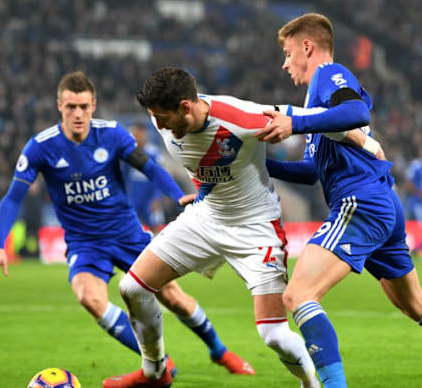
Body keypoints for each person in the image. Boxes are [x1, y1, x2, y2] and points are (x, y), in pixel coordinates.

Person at [255, 13, 422, 388]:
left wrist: (294, 121)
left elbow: (357, 111)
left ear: (307, 47)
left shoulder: (329, 75)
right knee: (417, 306)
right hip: (381, 204)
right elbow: (312, 171)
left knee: (298, 295)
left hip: (360, 202)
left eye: (287, 51)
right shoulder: (317, 102)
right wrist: (262, 166)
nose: (284, 62)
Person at [0, 71, 252, 377]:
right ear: (59, 105)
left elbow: (150, 168)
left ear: (94, 105)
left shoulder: (112, 134)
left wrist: (179, 196)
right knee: (89, 298)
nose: (78, 113)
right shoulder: (40, 146)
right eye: (71, 106)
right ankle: (159, 363)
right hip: (84, 243)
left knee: (172, 297)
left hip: (127, 234)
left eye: (84, 107)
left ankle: (219, 351)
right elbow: (12, 198)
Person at [104, 67, 327, 388]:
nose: (159, 125)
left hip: (255, 228)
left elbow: (316, 117)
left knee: (274, 335)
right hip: (204, 218)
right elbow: (206, 161)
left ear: (185, 107)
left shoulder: (242, 117)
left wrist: (362, 137)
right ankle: (154, 370)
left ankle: (311, 384)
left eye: (163, 118)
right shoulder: (163, 120)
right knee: (133, 288)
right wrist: (205, 191)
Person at [123, 122, 166, 233]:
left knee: (156, 225)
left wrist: (157, 197)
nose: (137, 136)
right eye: (135, 134)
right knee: (130, 225)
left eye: (140, 134)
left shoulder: (154, 153)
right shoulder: (128, 153)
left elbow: (159, 177)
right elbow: (125, 175)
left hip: (150, 196)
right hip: (133, 196)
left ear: (145, 134)